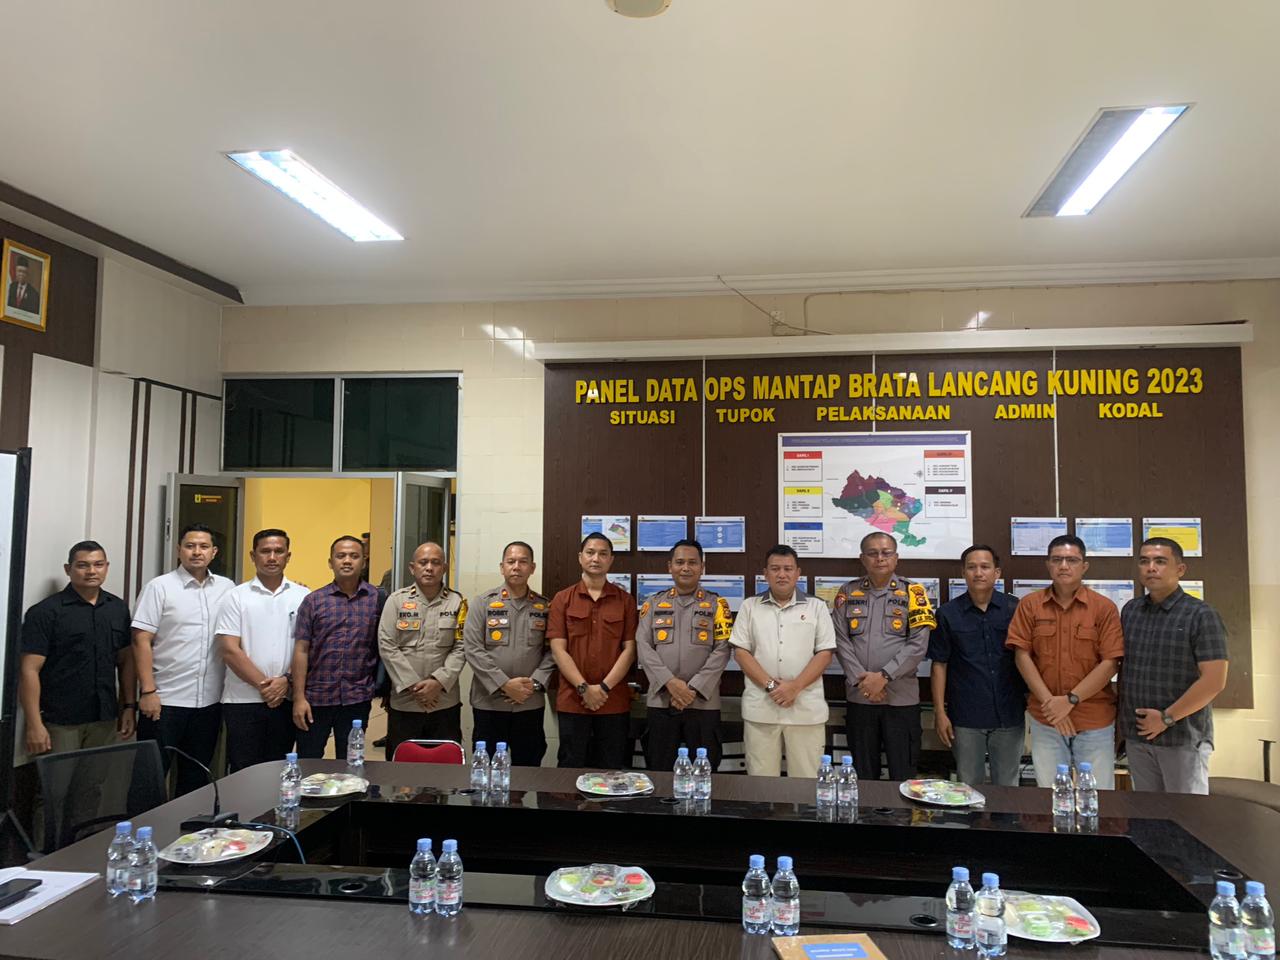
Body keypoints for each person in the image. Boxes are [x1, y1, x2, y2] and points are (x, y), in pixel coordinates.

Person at [1005, 535, 1124, 788]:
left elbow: (1110, 663)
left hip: (1094, 719)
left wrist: (1069, 701)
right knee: (1051, 794)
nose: (1064, 566)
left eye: (1072, 560)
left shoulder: (1104, 608)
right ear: (1048, 564)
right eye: (1057, 560)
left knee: (1097, 795)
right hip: (1046, 718)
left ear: (1084, 566)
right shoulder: (1030, 605)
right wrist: (1053, 707)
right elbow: (1022, 656)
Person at [1118, 537, 1229, 794]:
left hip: (1181, 738)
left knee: (1186, 815)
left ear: (1180, 569)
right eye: (1144, 561)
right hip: (1138, 737)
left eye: (1160, 561)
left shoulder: (1201, 615)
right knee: (1147, 814)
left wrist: (1166, 718)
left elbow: (1214, 681)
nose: (1151, 568)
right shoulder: (1131, 611)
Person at [132, 523, 234, 795]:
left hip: (209, 703)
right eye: (190, 546)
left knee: (196, 780)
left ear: (214, 552)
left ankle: (189, 824)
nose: (196, 552)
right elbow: (141, 640)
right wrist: (148, 691)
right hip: (165, 701)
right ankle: (145, 824)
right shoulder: (159, 587)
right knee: (149, 779)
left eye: (203, 546)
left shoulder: (227, 588)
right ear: (179, 550)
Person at [832, 532, 936, 781]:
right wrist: (864, 682)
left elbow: (918, 645)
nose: (880, 558)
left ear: (896, 558)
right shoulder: (847, 592)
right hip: (860, 698)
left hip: (901, 700)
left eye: (886, 553)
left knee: (903, 774)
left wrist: (884, 677)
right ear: (862, 559)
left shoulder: (914, 592)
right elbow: (840, 639)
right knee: (864, 774)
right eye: (873, 553)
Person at [19, 541, 135, 757]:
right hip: (60, 721)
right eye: (83, 565)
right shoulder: (45, 612)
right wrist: (34, 724)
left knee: (97, 778)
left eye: (98, 564)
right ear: (68, 569)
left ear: (106, 567)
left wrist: (128, 706)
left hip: (104, 718)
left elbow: (126, 660)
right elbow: (29, 670)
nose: (91, 571)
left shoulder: (118, 608)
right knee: (59, 779)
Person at [731, 545, 835, 778]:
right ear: (765, 574)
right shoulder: (749, 606)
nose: (782, 574)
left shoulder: (817, 607)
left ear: (798, 573)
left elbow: (825, 653)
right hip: (761, 709)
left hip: (806, 709)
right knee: (761, 781)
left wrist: (794, 687)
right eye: (775, 568)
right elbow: (741, 653)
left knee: (807, 780)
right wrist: (772, 687)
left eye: (788, 569)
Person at [928, 545, 1025, 786]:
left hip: (1009, 714)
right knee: (968, 786)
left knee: (1008, 787)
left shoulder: (1015, 609)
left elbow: (1028, 658)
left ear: (997, 572)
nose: (978, 573)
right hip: (965, 716)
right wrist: (939, 712)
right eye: (971, 567)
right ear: (963, 573)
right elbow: (939, 665)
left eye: (985, 567)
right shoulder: (948, 614)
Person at [635, 539, 733, 771]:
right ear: (670, 566)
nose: (686, 568)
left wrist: (693, 688)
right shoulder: (653, 603)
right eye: (680, 562)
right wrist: (670, 683)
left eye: (692, 562)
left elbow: (723, 648)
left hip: (702, 703)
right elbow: (643, 645)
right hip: (662, 700)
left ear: (702, 567)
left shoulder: (717, 605)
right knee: (659, 771)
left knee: (704, 773)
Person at [215, 529, 307, 772]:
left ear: (288, 556)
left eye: (279, 551)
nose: (272, 557)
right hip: (243, 701)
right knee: (244, 770)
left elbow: (308, 647)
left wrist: (285, 682)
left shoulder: (304, 597)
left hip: (286, 698)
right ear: (252, 556)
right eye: (265, 551)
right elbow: (229, 649)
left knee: (280, 769)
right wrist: (267, 687)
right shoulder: (235, 596)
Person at [547, 533, 638, 768]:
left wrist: (603, 688)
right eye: (590, 552)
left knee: (611, 770)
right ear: (580, 557)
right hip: (573, 700)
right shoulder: (562, 599)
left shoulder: (625, 600)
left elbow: (629, 650)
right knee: (570, 767)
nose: (596, 558)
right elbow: (558, 649)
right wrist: (584, 688)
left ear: (611, 560)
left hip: (613, 701)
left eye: (603, 554)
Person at [291, 535, 385, 759]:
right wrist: (299, 698)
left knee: (351, 763)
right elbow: (301, 650)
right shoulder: (314, 601)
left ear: (364, 561)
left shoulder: (378, 599)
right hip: (316, 698)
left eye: (354, 556)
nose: (347, 561)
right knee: (309, 762)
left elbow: (385, 646)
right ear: (330, 562)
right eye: (341, 556)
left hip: (357, 697)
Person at [464, 541, 555, 766]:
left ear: (532, 568)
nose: (516, 567)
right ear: (502, 567)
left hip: (529, 702)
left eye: (523, 562)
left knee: (529, 765)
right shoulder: (483, 603)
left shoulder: (544, 607)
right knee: (487, 767)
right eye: (511, 561)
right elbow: (473, 648)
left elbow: (553, 651)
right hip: (489, 702)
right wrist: (504, 684)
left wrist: (534, 684)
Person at [378, 541, 467, 761]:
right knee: (402, 769)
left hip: (443, 702)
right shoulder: (396, 601)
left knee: (445, 768)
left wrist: (438, 682)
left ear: (444, 568)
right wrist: (414, 686)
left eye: (435, 563)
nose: (429, 568)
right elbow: (387, 644)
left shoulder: (457, 602)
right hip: (406, 702)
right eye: (423, 562)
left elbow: (462, 646)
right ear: (412, 568)